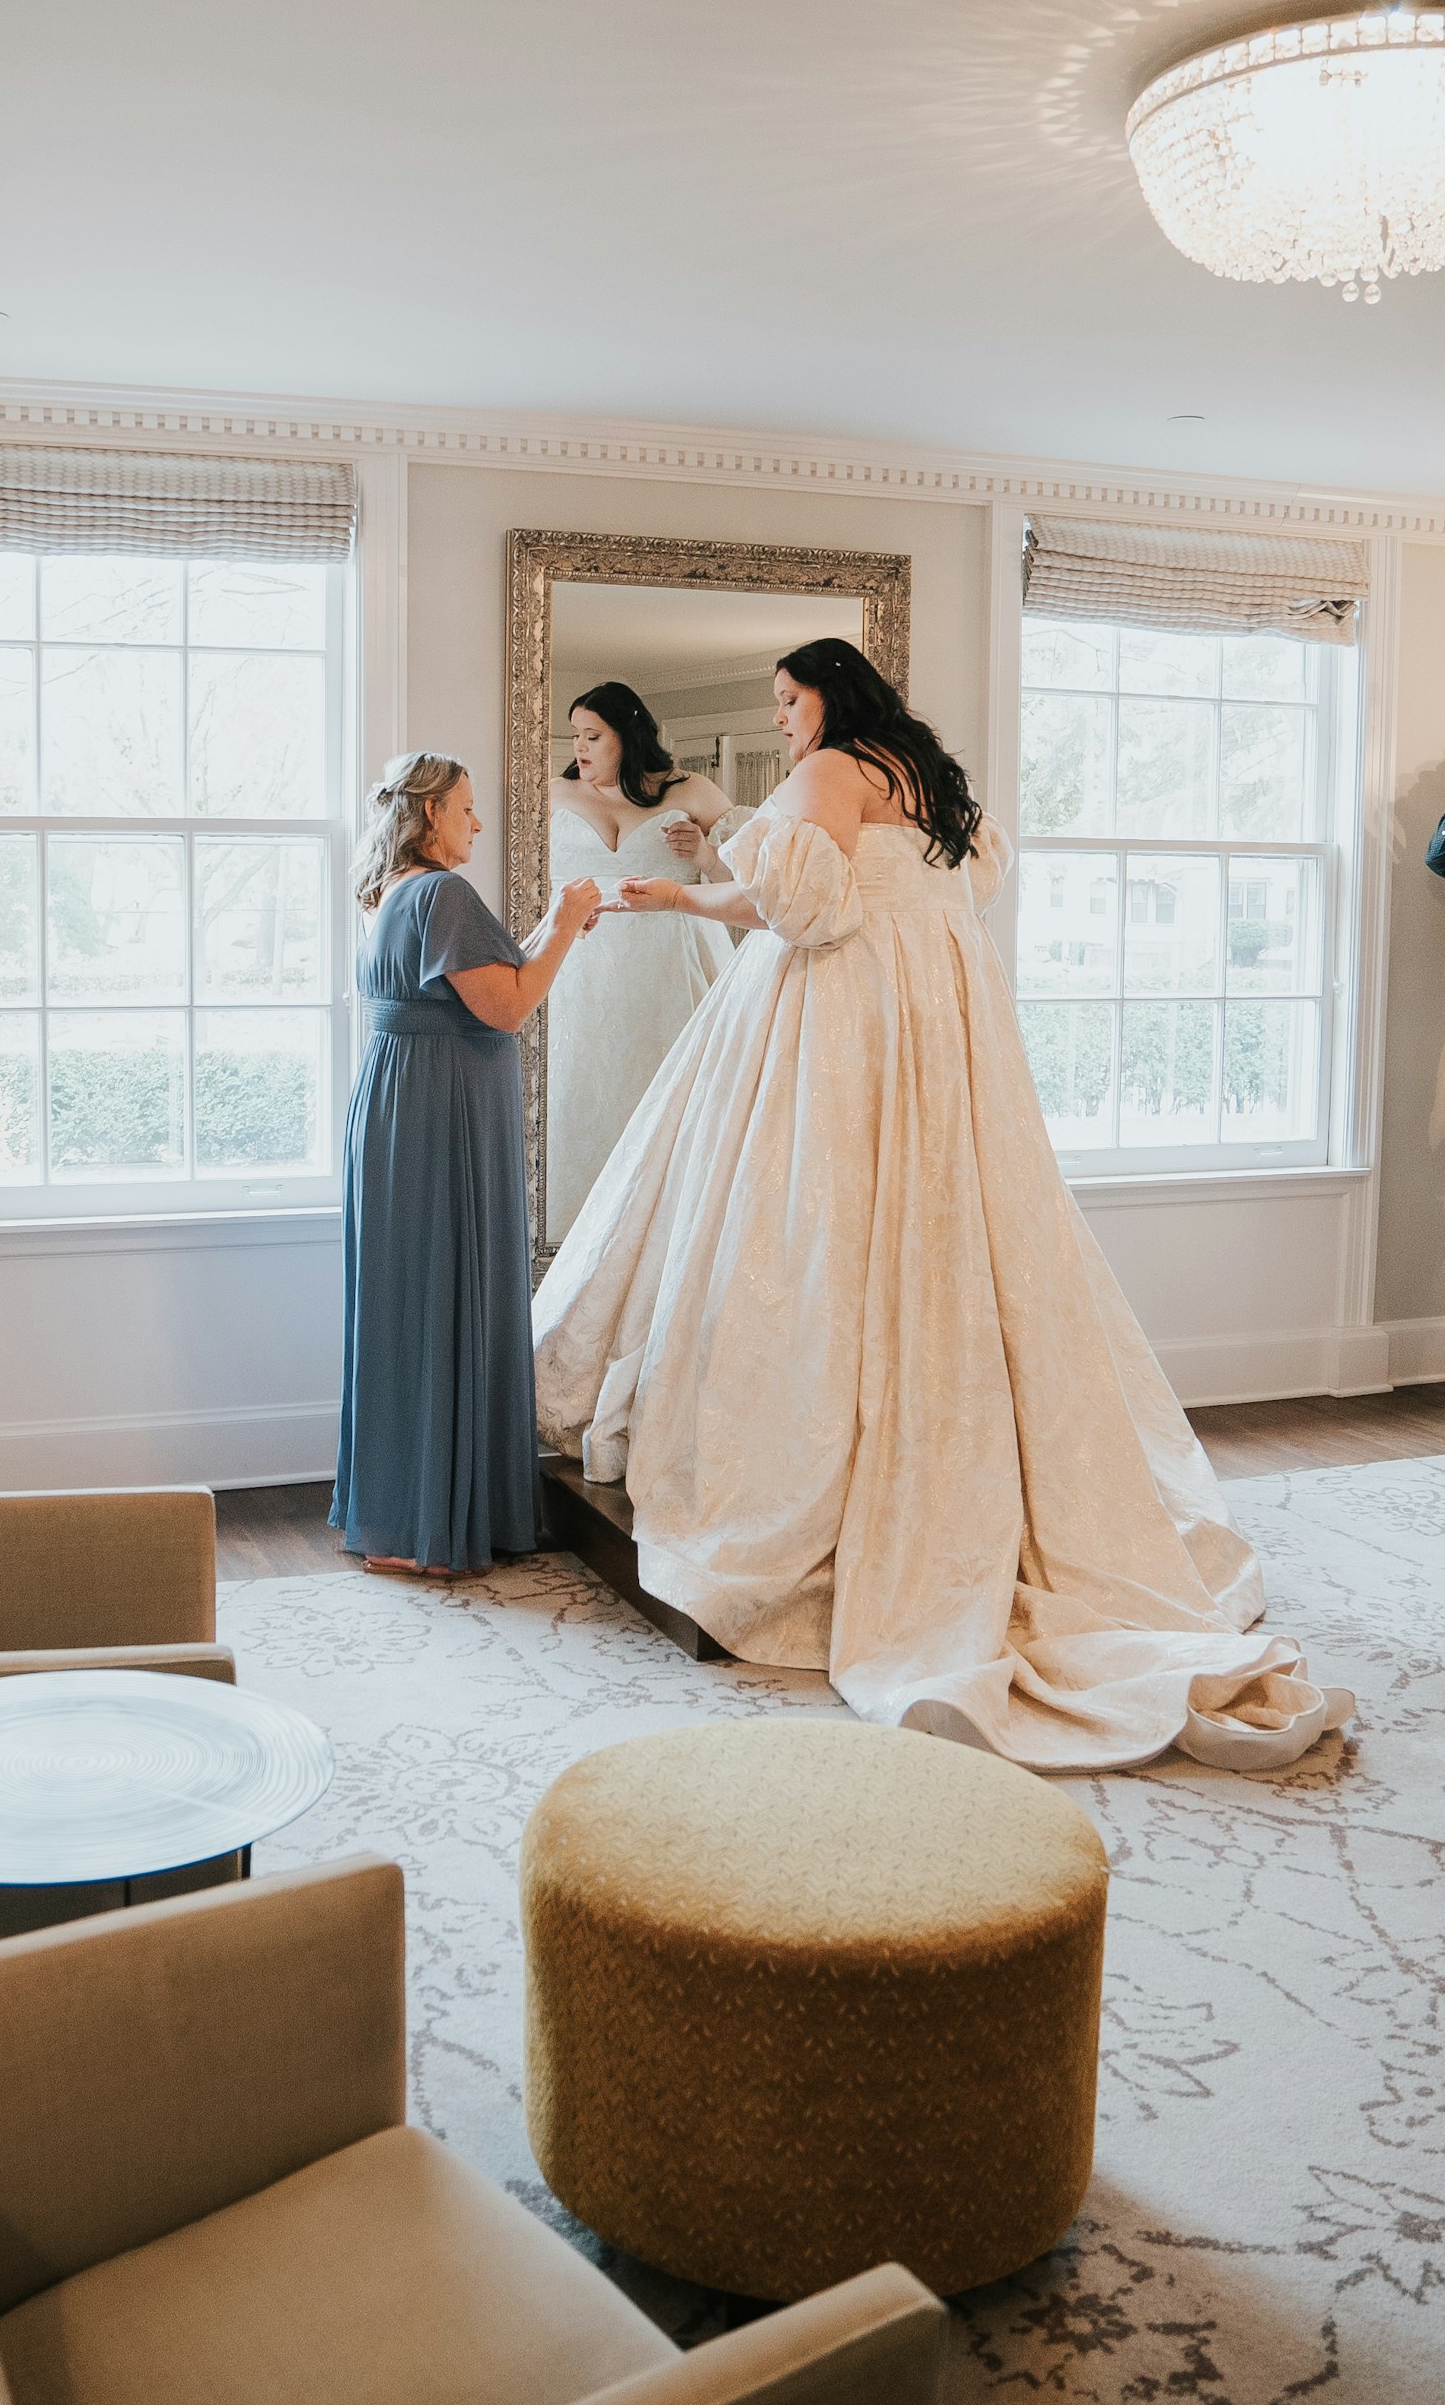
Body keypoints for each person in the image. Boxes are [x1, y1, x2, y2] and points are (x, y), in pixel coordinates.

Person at [531, 638, 1353, 1774]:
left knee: (805, 1225)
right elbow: (894, 890)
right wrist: (683, 887)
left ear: (831, 695)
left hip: (848, 1018)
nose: (779, 720)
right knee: (952, 1228)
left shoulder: (829, 773)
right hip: (944, 1019)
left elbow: (797, 913)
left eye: (787, 699)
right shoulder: (924, 772)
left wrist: (678, 892)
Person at [333, 751, 601, 1577]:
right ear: (429, 815)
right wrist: (560, 926)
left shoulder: (394, 895)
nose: (478, 824)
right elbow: (509, 1006)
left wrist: (545, 938)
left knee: (407, 1300)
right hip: (438, 1113)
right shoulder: (441, 892)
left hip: (399, 1105)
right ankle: (432, 1528)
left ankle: (406, 1511)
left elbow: (476, 985)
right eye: (467, 810)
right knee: (445, 1293)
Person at [546, 683, 736, 1232]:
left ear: (626, 737)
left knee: (671, 1093)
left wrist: (703, 853)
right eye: (576, 735)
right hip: (578, 967)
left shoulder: (691, 791)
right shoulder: (551, 793)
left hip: (672, 963)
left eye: (593, 736)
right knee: (582, 1091)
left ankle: (674, 1229)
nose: (579, 747)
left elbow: (745, 882)